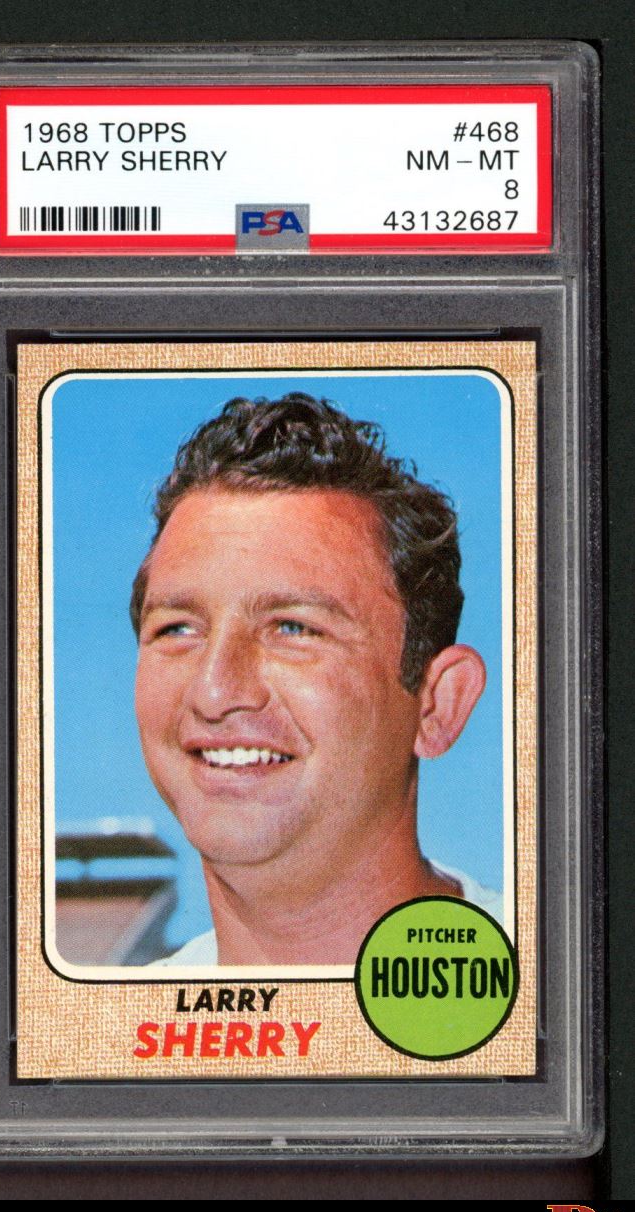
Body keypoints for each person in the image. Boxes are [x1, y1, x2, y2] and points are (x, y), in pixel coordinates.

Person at [129, 392, 499, 966]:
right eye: (178, 629)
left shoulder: (559, 977)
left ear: (436, 706)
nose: (214, 691)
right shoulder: (104, 1013)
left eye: (293, 628)